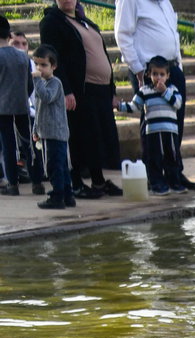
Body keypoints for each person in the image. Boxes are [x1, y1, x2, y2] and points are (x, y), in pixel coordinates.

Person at [39, 0, 122, 199]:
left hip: (101, 90)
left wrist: (112, 90)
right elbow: (54, 59)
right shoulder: (52, 22)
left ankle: (99, 182)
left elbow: (102, 55)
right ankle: (76, 183)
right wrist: (66, 90)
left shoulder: (86, 21)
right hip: (80, 90)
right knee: (82, 137)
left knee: (99, 138)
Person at [115, 0, 191, 186]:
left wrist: (178, 68)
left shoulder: (165, 2)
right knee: (151, 127)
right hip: (148, 71)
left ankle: (174, 172)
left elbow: (173, 34)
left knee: (174, 123)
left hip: (171, 69)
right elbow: (123, 34)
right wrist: (140, 70)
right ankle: (154, 175)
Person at [118, 54, 184, 194]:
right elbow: (134, 106)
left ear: (167, 76)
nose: (158, 77)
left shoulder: (172, 90)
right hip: (153, 132)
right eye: (155, 74)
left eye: (162, 74)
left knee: (171, 156)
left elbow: (178, 104)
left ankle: (174, 182)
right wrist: (119, 106)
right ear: (149, 74)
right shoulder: (144, 91)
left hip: (170, 131)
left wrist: (164, 92)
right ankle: (157, 184)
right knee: (154, 158)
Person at [29, 44, 71, 208]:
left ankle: (57, 197)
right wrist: (35, 130)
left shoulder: (55, 83)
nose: (39, 69)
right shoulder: (42, 83)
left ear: (53, 66)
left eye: (44, 65)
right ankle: (67, 196)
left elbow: (46, 98)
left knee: (55, 166)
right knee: (58, 166)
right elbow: (39, 109)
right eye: (37, 64)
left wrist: (36, 80)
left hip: (56, 133)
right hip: (45, 132)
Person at [0, 14, 31, 196]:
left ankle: (12, 183)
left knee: (8, 145)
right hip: (22, 106)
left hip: (2, 108)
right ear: (9, 36)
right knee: (27, 144)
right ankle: (36, 181)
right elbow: (29, 85)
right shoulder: (22, 57)